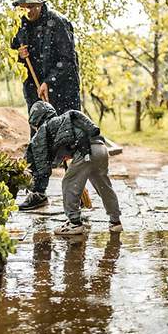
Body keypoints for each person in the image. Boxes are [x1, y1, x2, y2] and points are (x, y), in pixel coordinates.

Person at [19, 100, 123, 235]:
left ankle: (74, 223)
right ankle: (115, 221)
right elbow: (69, 142)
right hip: (101, 148)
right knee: (103, 186)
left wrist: (30, 174)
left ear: (37, 119)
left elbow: (39, 158)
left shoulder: (45, 128)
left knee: (69, 184)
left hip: (85, 152)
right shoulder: (62, 122)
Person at [11, 0, 81, 120]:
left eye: (31, 7)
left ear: (40, 5)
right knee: (40, 132)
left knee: (65, 130)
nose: (28, 11)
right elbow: (11, 54)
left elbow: (68, 60)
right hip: (34, 89)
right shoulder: (18, 26)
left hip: (63, 88)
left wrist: (49, 82)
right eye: (23, 7)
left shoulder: (57, 22)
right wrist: (18, 55)